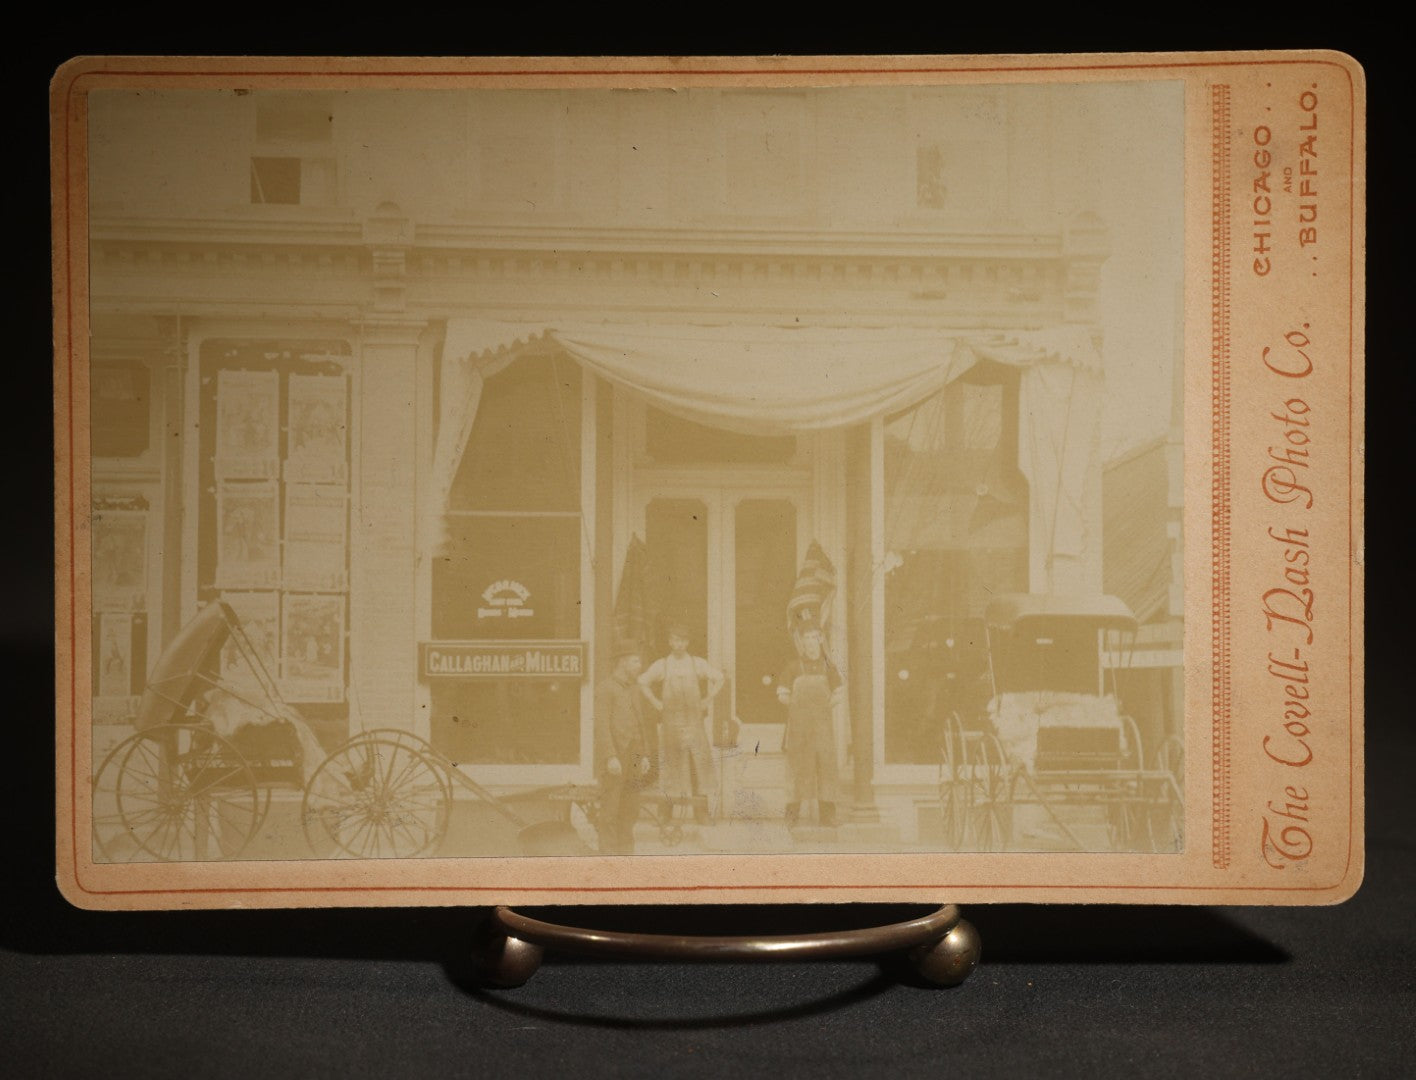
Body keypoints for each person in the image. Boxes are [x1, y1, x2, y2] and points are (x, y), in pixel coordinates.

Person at [639, 622, 723, 824]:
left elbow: (720, 678)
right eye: (675, 640)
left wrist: (707, 699)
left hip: (694, 725)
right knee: (670, 766)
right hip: (671, 726)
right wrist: (656, 703)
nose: (679, 645)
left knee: (697, 767)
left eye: (682, 640)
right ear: (670, 641)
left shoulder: (697, 663)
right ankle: (665, 814)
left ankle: (701, 813)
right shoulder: (663, 665)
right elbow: (642, 681)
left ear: (688, 642)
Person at [775, 616, 846, 828]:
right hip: (799, 729)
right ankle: (792, 815)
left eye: (814, 637)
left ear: (821, 639)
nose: (811, 642)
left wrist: (824, 707)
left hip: (823, 728)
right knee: (797, 768)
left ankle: (827, 815)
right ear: (802, 643)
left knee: (825, 768)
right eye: (806, 638)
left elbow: (839, 693)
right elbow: (782, 694)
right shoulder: (793, 667)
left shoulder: (829, 667)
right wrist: (798, 708)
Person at [593, 640, 655, 855]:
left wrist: (645, 754)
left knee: (631, 809)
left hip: (635, 756)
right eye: (635, 661)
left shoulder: (635, 689)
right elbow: (600, 727)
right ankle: (608, 857)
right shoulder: (605, 689)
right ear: (622, 663)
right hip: (616, 758)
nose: (640, 665)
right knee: (610, 809)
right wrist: (610, 756)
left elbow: (641, 724)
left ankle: (626, 855)